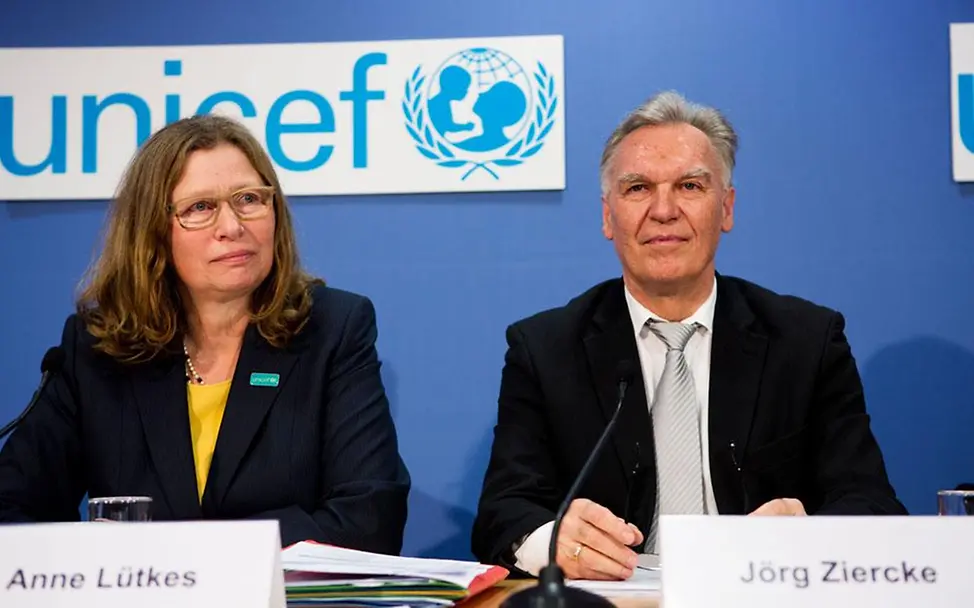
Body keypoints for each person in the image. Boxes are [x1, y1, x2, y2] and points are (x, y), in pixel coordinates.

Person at [471, 91, 906, 580]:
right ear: (607, 216)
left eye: (690, 186)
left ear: (726, 208)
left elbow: (872, 504)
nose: (663, 210)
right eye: (637, 188)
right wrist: (548, 541)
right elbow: (502, 513)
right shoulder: (546, 348)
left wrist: (808, 533)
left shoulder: (805, 341)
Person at [0, 114, 410, 553]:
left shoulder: (332, 329)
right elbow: (12, 510)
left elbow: (370, 518)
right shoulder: (99, 347)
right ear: (153, 232)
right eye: (200, 208)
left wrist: (193, 557)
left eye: (249, 199)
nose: (232, 227)